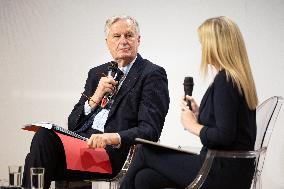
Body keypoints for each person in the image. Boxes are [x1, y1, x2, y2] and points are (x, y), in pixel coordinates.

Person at [22, 15, 170, 189]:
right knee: (42, 140)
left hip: (112, 154)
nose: (123, 41)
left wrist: (110, 138)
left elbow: (149, 131)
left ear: (138, 40)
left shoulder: (151, 74)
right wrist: (95, 97)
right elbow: (73, 124)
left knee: (43, 148)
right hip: (82, 145)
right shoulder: (97, 73)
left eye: (129, 35)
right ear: (107, 42)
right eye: (116, 36)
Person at [119, 16, 258, 189]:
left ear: (215, 45)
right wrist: (199, 114)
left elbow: (224, 137)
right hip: (229, 169)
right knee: (145, 178)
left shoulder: (226, 80)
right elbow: (229, 128)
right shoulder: (234, 79)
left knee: (145, 152)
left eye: (203, 43)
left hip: (221, 171)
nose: (202, 48)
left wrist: (192, 125)